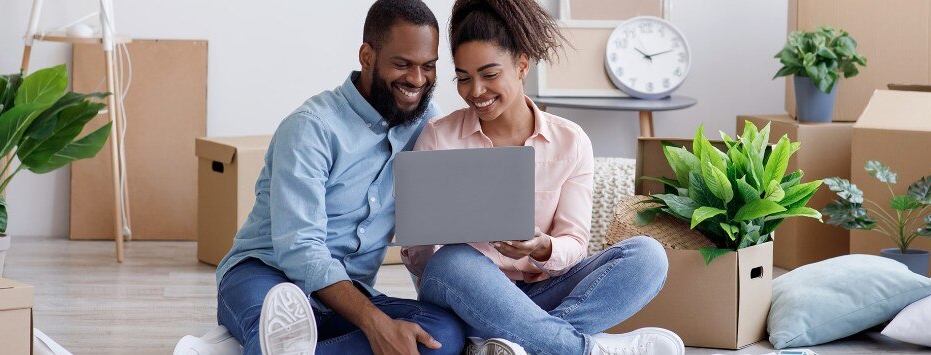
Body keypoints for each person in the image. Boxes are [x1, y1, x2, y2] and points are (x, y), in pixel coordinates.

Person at [401, 1, 683, 354]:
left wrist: (541, 246)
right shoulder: (439, 136)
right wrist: (418, 238)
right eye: (463, 78)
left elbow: (575, 243)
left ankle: (515, 342)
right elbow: (427, 264)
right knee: (452, 262)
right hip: (468, 295)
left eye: (489, 74)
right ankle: (583, 348)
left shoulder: (571, 140)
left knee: (648, 256)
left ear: (522, 64)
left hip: (544, 292)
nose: (476, 91)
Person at [212, 1, 465, 354]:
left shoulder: (426, 123)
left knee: (445, 334)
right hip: (266, 274)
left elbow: (432, 222)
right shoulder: (310, 128)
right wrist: (376, 324)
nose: (417, 79)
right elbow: (301, 250)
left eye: (428, 66)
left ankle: (279, 347)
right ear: (367, 56)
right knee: (278, 334)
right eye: (402, 64)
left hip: (347, 293)